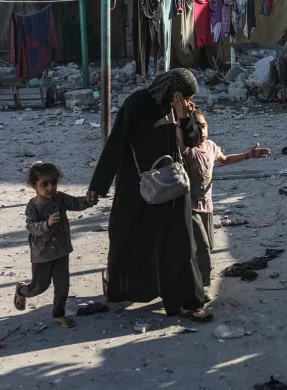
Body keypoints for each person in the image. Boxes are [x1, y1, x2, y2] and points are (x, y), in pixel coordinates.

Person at [87, 69, 211, 321]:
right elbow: (116, 144)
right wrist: (98, 186)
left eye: (188, 97)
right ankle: (127, 289)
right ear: (170, 88)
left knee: (181, 243)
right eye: (182, 95)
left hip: (174, 186)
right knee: (132, 238)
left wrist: (185, 117)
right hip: (138, 187)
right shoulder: (138, 103)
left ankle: (189, 301)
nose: (184, 100)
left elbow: (193, 141)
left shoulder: (182, 108)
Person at [177, 110, 271, 287]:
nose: (201, 130)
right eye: (195, 126)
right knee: (202, 247)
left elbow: (224, 159)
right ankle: (201, 287)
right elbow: (179, 134)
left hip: (208, 206)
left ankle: (193, 280)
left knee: (208, 246)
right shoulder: (187, 150)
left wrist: (248, 155)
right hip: (190, 206)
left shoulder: (211, 146)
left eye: (203, 126)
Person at [15, 162, 95, 328]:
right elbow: (31, 227)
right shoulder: (33, 206)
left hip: (61, 250)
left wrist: (88, 201)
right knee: (40, 286)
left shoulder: (59, 198)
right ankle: (22, 290)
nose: (50, 187)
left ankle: (59, 314)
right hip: (42, 253)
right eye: (44, 184)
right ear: (34, 186)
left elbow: (75, 203)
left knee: (62, 285)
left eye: (53, 183)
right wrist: (47, 224)